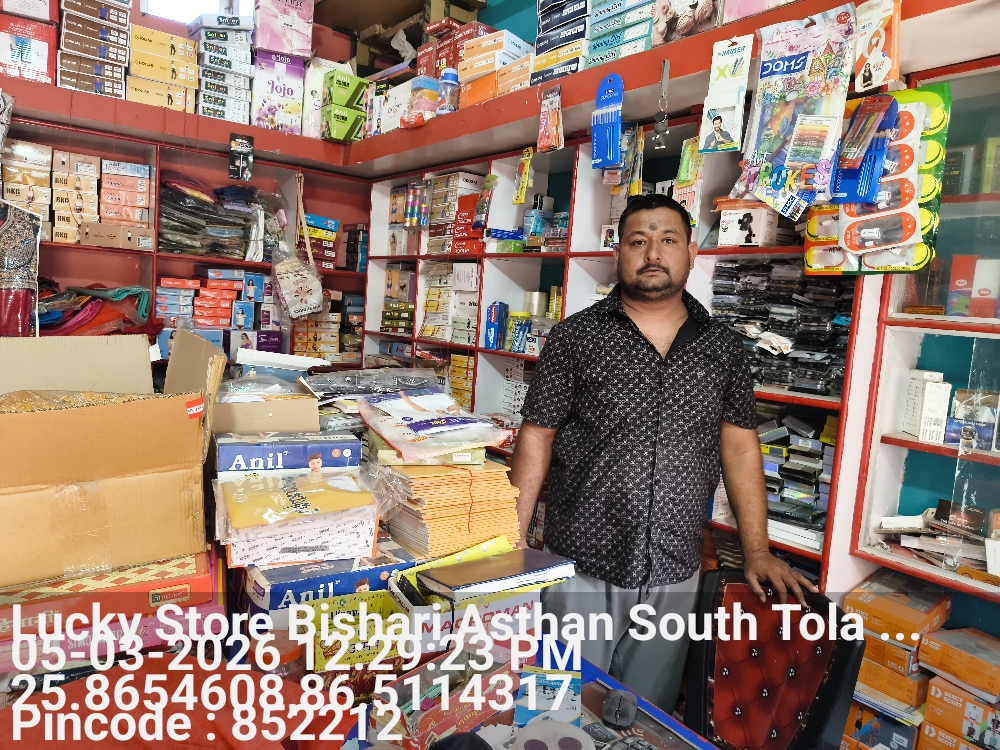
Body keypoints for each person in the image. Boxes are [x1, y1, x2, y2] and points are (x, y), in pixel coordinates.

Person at [511, 193, 816, 713]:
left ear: (691, 253)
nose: (653, 253)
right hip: (582, 561)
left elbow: (740, 448)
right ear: (618, 254)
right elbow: (536, 435)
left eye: (668, 240)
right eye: (638, 241)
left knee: (643, 717)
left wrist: (757, 551)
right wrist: (513, 541)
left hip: (675, 568)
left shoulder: (723, 348)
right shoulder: (574, 338)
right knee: (556, 706)